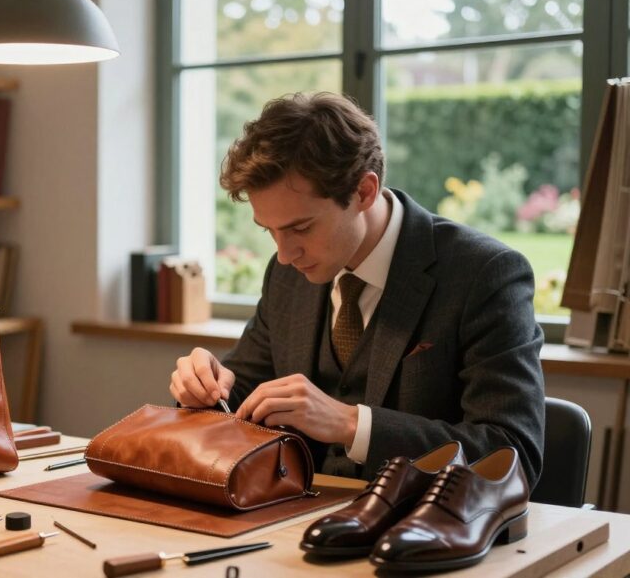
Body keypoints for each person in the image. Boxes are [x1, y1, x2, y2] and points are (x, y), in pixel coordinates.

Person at [168, 92, 545, 486]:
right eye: (270, 231)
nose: (285, 254)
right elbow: (243, 395)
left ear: (364, 191)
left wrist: (352, 424)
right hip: (296, 514)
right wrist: (204, 391)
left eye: (301, 228)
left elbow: (514, 453)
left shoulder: (484, 273)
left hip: (420, 518)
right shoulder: (286, 274)